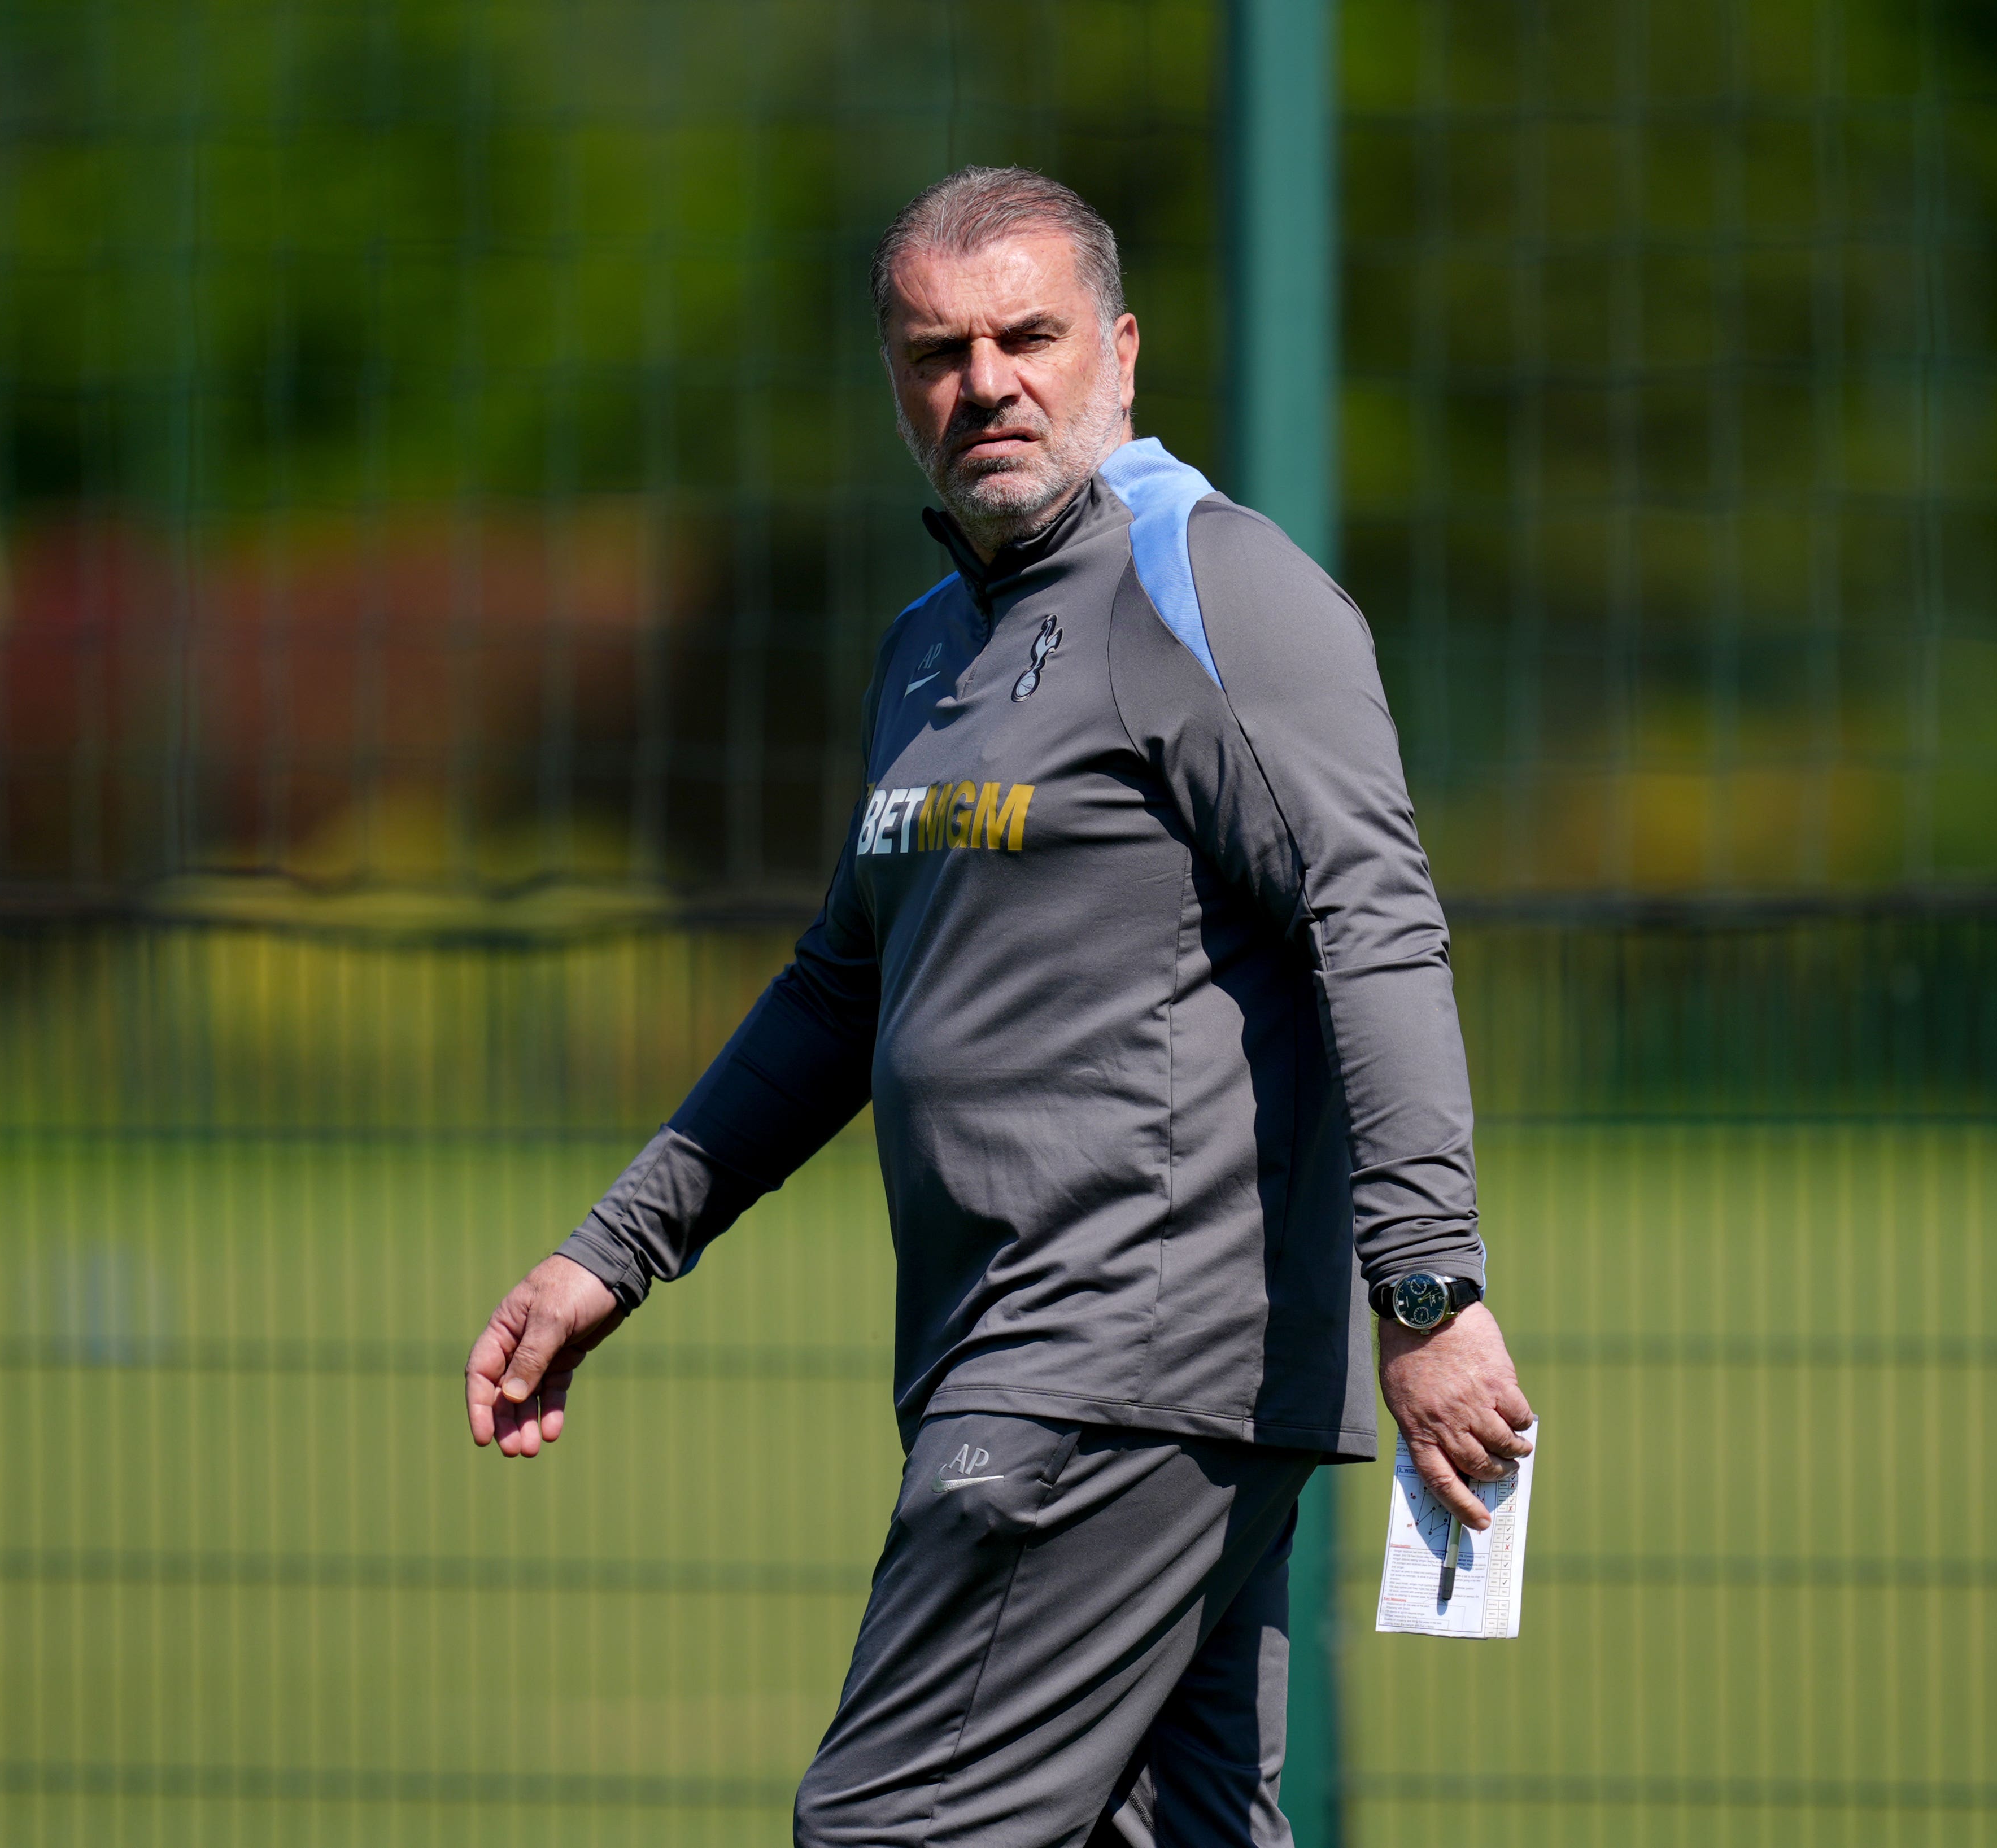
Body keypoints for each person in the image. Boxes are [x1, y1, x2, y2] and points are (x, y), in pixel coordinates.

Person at [463, 165, 1534, 1847]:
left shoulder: (1208, 582)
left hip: (1110, 1361)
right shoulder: (929, 646)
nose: (986, 385)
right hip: (1052, 1371)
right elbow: (840, 986)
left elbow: (1374, 923)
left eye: (1026, 336)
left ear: (1118, 348)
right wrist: (617, 1247)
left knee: (894, 1824)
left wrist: (1428, 1285)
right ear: (897, 382)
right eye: (935, 353)